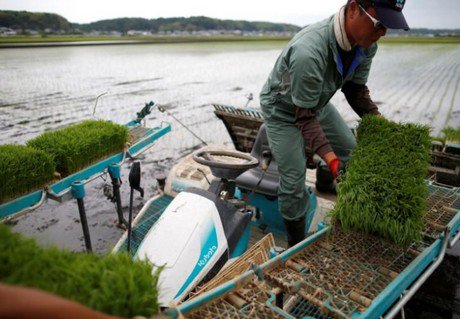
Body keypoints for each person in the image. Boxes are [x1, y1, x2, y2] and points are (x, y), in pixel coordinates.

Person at [259, 0, 409, 247]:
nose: (382, 33)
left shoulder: (366, 44)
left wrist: (383, 126)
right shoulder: (310, 51)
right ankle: (295, 244)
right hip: (283, 109)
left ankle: (325, 181)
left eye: (388, 27)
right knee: (294, 180)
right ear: (353, 9)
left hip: (315, 103)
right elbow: (304, 117)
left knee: (351, 152)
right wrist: (330, 157)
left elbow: (355, 89)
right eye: (379, 24)